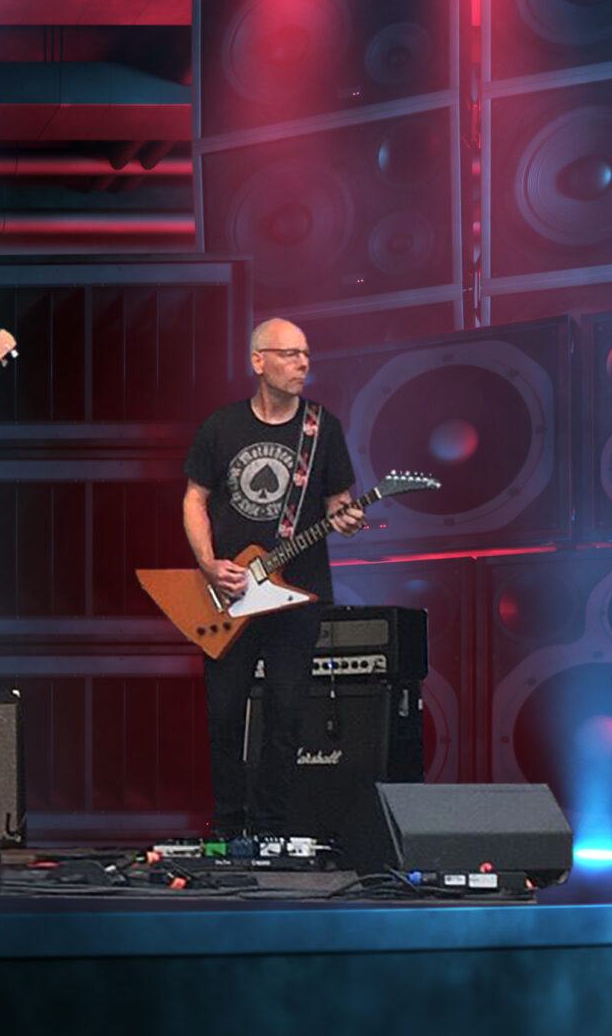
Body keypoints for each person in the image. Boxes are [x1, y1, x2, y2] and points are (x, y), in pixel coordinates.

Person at [182, 317, 366, 840]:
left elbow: (339, 504)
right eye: (290, 354)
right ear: (258, 361)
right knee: (224, 715)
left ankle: (271, 830)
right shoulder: (221, 427)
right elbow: (194, 499)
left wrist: (349, 519)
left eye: (306, 354)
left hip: (298, 595)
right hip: (231, 593)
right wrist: (208, 563)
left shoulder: (322, 428)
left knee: (286, 714)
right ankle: (228, 827)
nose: (302, 364)